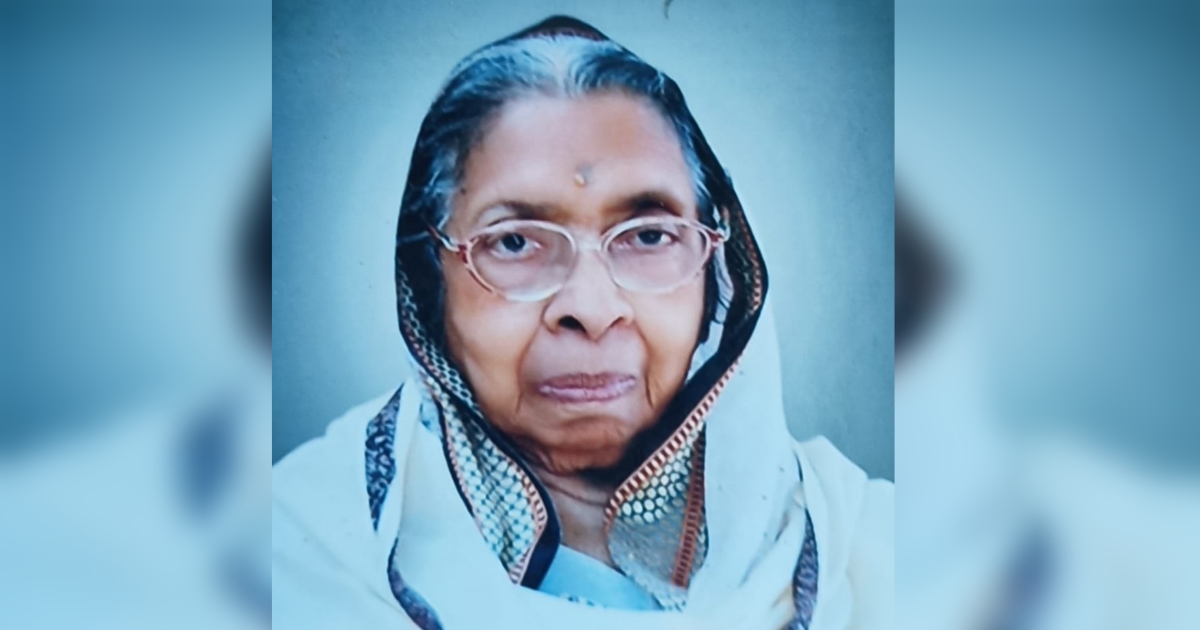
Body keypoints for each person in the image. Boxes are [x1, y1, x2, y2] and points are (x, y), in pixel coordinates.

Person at [273, 16, 892, 630]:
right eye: (514, 242)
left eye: (649, 235)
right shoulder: (296, 554)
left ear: (718, 272)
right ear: (430, 280)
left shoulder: (868, 555)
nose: (592, 309)